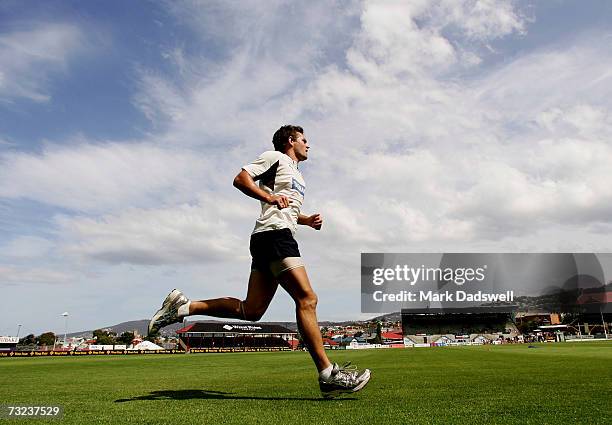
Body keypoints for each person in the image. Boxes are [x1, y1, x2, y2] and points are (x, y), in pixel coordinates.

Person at [148, 125, 370, 398]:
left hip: (273, 236)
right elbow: (241, 179)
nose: (308, 145)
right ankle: (327, 374)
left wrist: (306, 219)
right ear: (291, 141)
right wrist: (268, 196)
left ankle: (183, 308)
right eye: (304, 140)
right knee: (307, 299)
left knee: (251, 311)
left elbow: (283, 205)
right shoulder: (276, 158)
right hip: (275, 236)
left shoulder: (296, 174)